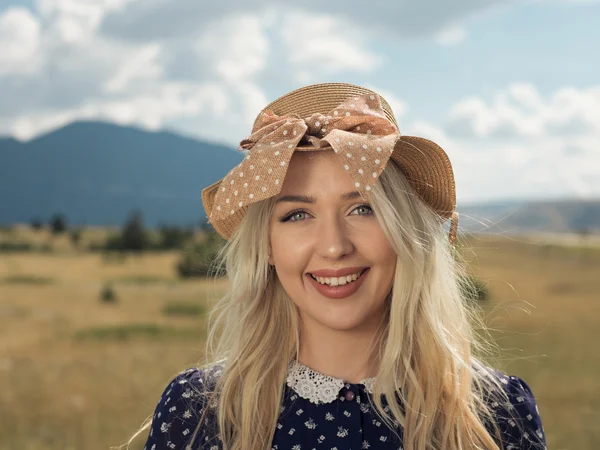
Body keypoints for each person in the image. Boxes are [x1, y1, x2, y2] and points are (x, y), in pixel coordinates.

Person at [134, 83, 547, 450]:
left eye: (362, 208)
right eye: (297, 215)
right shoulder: (200, 414)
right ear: (267, 246)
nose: (333, 247)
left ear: (404, 230)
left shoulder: (495, 412)